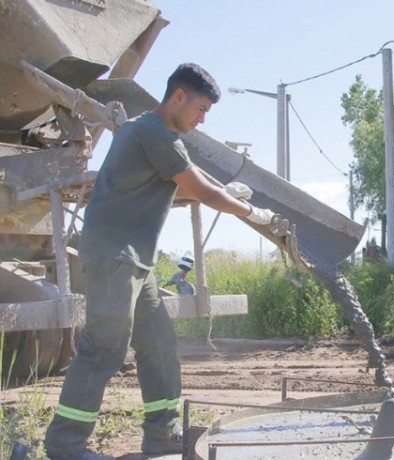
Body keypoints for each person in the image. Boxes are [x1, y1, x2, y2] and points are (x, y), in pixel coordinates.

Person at [43, 63, 275, 460]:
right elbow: (197, 187)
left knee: (159, 344)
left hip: (136, 261)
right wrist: (249, 212)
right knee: (104, 347)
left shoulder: (150, 132)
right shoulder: (153, 133)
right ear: (179, 97)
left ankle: (162, 435)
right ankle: (65, 445)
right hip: (115, 256)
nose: (201, 120)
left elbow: (190, 175)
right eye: (200, 109)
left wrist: (225, 190)